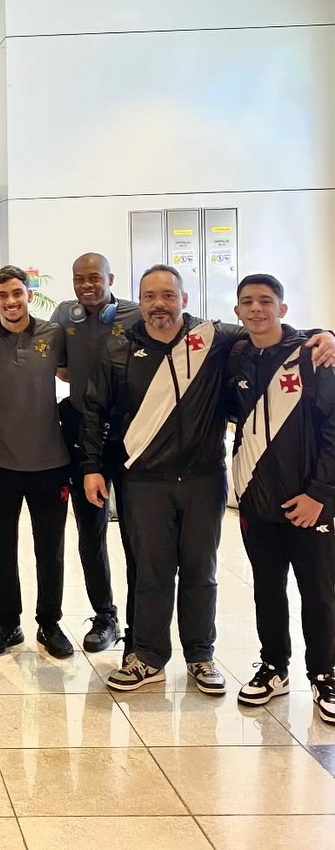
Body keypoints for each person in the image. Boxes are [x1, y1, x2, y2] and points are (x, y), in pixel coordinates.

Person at [81, 264, 335, 696]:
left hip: (203, 478)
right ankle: (148, 657)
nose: (159, 304)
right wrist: (91, 466)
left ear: (184, 299)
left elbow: (270, 330)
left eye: (168, 295)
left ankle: (200, 656)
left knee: (202, 572)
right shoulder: (119, 348)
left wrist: (323, 334)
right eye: (149, 296)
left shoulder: (214, 339)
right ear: (139, 302)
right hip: (143, 481)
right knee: (151, 573)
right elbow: (94, 409)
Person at [228, 274, 335, 725]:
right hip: (257, 503)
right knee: (267, 589)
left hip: (310, 502)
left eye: (265, 301)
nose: (256, 309)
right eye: (247, 302)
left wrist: (319, 495)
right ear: (237, 311)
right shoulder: (235, 356)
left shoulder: (312, 356)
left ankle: (325, 674)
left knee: (319, 592)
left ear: (282, 309)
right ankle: (274, 667)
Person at [0, 265, 75, 661]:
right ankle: (8, 622)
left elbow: (75, 372)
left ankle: (50, 622)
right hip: (0, 465)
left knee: (50, 549)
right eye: (2, 295)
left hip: (51, 462)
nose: (11, 301)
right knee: (1, 548)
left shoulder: (54, 335)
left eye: (17, 293)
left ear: (29, 295)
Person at [50, 252, 139, 654]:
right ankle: (105, 616)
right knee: (91, 532)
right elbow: (60, 368)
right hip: (81, 435)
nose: (87, 285)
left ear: (110, 278)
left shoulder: (136, 315)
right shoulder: (64, 316)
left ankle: (140, 624)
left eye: (94, 278)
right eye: (79, 279)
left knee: (138, 536)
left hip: (130, 434)